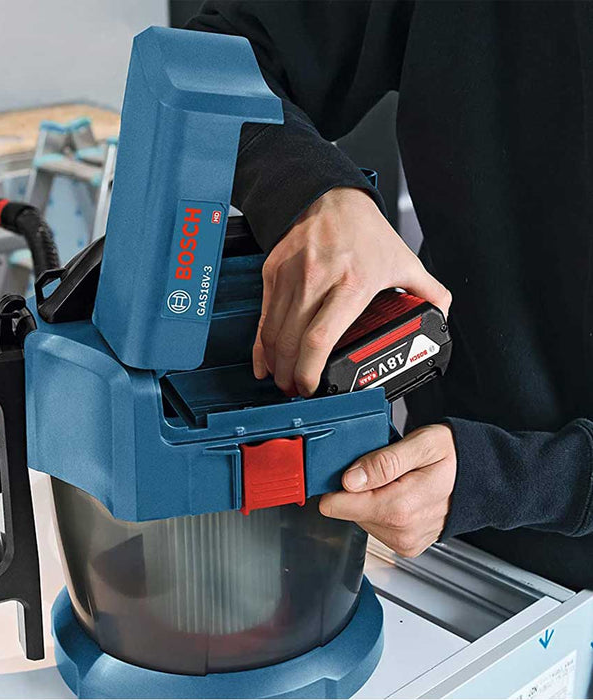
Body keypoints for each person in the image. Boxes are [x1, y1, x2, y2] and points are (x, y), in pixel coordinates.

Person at [187, 0, 593, 589]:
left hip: (483, 506)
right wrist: (316, 193)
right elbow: (213, 56)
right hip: (441, 533)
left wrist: (503, 481)